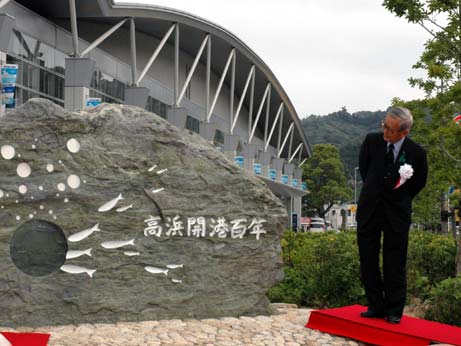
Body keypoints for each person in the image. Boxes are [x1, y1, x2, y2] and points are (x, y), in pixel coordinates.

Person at [356, 106, 428, 324]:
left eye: (390, 129)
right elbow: (365, 168)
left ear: (403, 132)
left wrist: (399, 198)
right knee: (367, 259)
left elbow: (418, 183)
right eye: (384, 125)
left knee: (394, 261)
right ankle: (375, 305)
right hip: (369, 210)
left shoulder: (417, 152)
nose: (385, 131)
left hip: (396, 214)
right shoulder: (371, 141)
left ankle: (394, 309)